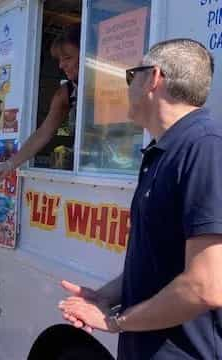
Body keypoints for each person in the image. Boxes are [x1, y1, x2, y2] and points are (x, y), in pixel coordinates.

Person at [59, 39, 222, 359]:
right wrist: (105, 296)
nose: (127, 87)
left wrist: (115, 322)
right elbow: (159, 260)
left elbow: (207, 286)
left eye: (131, 76)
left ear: (153, 78)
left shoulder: (205, 148)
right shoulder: (164, 151)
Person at [0, 23, 80, 181]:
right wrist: (9, 164)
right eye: (59, 59)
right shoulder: (65, 92)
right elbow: (44, 132)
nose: (61, 65)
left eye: (68, 58)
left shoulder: (109, 83)